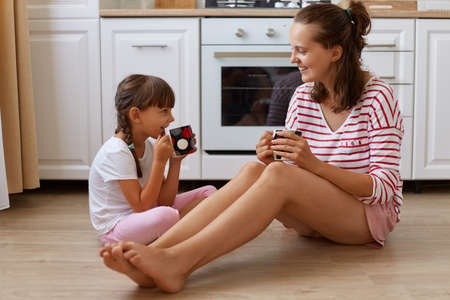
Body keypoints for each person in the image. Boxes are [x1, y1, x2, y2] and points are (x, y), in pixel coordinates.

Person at [99, 1, 404, 292]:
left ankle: (178, 263)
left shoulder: (378, 98)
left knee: (277, 177)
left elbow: (384, 188)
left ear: (335, 52)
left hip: (366, 218)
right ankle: (154, 252)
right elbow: (290, 177)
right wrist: (274, 158)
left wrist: (311, 165)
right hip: (318, 218)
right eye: (292, 49)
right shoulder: (302, 96)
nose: (292, 59)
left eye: (301, 50)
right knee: (254, 170)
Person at [89, 74, 216, 250]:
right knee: (167, 216)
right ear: (136, 115)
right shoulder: (116, 152)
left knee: (209, 193)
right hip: (116, 229)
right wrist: (159, 162)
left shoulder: (148, 146)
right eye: (164, 111)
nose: (171, 118)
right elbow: (142, 207)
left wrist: (175, 163)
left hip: (145, 215)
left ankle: (178, 231)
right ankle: (184, 231)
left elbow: (165, 201)